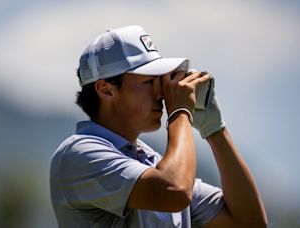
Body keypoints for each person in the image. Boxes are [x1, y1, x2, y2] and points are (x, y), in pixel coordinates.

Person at [49, 25, 267, 228]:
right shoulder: (79, 153)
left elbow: (250, 223)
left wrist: (215, 130)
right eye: (148, 82)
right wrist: (180, 112)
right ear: (106, 90)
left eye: (161, 81)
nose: (162, 93)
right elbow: (174, 191)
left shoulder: (152, 162)